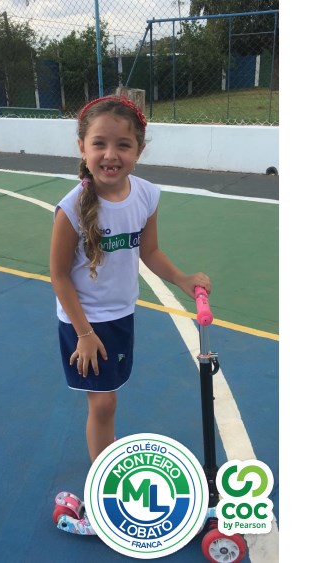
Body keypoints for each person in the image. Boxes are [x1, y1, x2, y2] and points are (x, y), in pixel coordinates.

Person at [49, 95, 211, 463]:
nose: (110, 155)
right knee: (103, 403)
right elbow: (59, 276)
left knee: (109, 398)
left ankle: (105, 456)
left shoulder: (146, 195)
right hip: (82, 322)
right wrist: (84, 334)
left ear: (139, 150)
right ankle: (101, 482)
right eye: (99, 144)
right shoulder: (71, 209)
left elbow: (149, 251)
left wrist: (182, 279)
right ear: (82, 147)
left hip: (121, 315)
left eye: (123, 145)